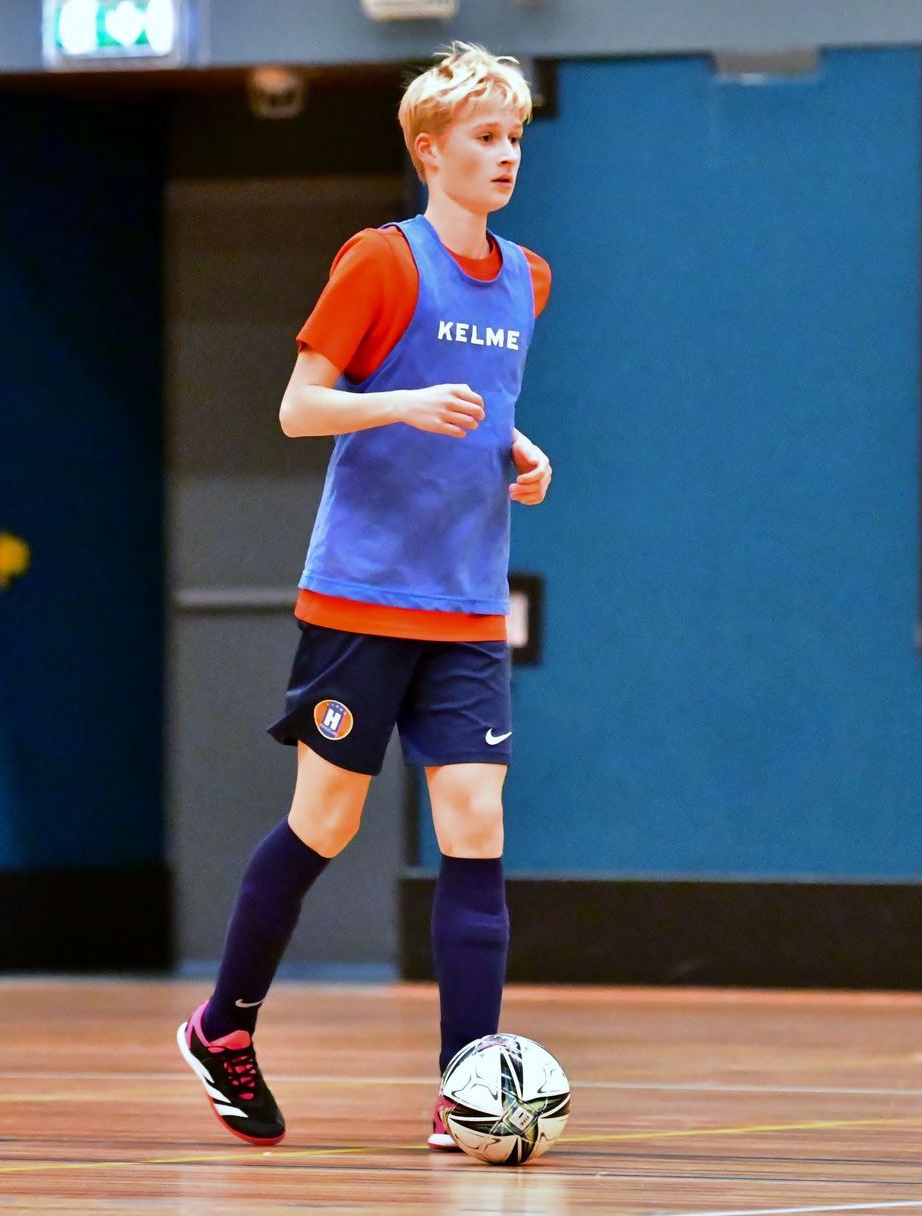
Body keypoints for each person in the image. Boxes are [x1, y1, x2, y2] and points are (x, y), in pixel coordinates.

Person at [176, 41, 554, 1151]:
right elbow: (300, 408)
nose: (506, 155)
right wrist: (399, 403)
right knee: (327, 820)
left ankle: (464, 1087)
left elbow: (482, 407)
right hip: (362, 601)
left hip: (467, 605)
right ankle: (223, 1026)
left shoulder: (528, 278)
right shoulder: (381, 262)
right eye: (485, 137)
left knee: (474, 819)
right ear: (430, 152)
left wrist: (518, 449)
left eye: (516, 137)